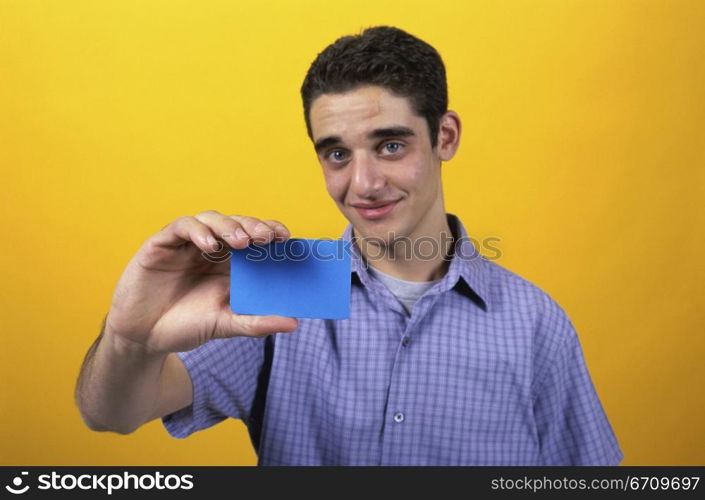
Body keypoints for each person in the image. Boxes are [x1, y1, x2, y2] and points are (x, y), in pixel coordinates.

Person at [75, 26, 623, 465]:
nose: (362, 184)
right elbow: (112, 414)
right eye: (337, 154)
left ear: (445, 136)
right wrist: (130, 338)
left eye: (389, 145)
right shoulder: (281, 286)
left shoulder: (534, 322)